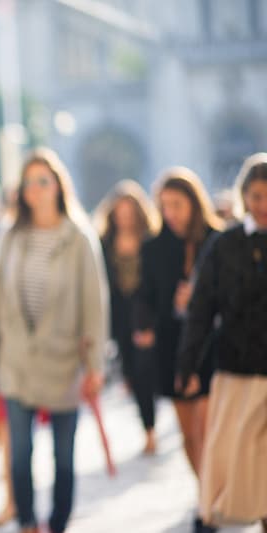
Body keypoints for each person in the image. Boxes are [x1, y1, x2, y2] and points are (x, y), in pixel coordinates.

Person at [0, 147, 108, 533]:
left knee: (63, 456)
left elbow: (95, 304)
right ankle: (26, 521)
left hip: (63, 361)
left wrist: (96, 367)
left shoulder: (79, 236)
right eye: (29, 183)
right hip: (16, 359)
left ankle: (58, 523)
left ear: (58, 185)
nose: (36, 190)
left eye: (43, 181)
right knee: (19, 453)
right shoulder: (10, 235)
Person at [177, 153, 267, 532]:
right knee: (230, 458)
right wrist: (187, 364)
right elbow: (200, 309)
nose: (264, 205)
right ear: (244, 196)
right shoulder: (225, 245)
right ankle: (208, 518)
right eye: (257, 195)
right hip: (237, 369)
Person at [132, 166, 223, 533]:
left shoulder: (218, 240)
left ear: (193, 202)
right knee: (188, 430)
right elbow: (143, 295)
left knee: (209, 425)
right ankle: (205, 492)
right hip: (171, 345)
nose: (170, 212)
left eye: (177, 204)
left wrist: (201, 300)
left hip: (214, 346)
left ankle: (214, 493)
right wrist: (145, 326)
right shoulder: (153, 247)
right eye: (164, 205)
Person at [94, 180, 160, 454]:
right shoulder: (104, 243)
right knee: (131, 372)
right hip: (119, 318)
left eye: (129, 211)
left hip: (146, 316)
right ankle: (146, 423)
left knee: (146, 372)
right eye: (120, 212)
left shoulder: (151, 241)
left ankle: (150, 430)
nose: (125, 217)